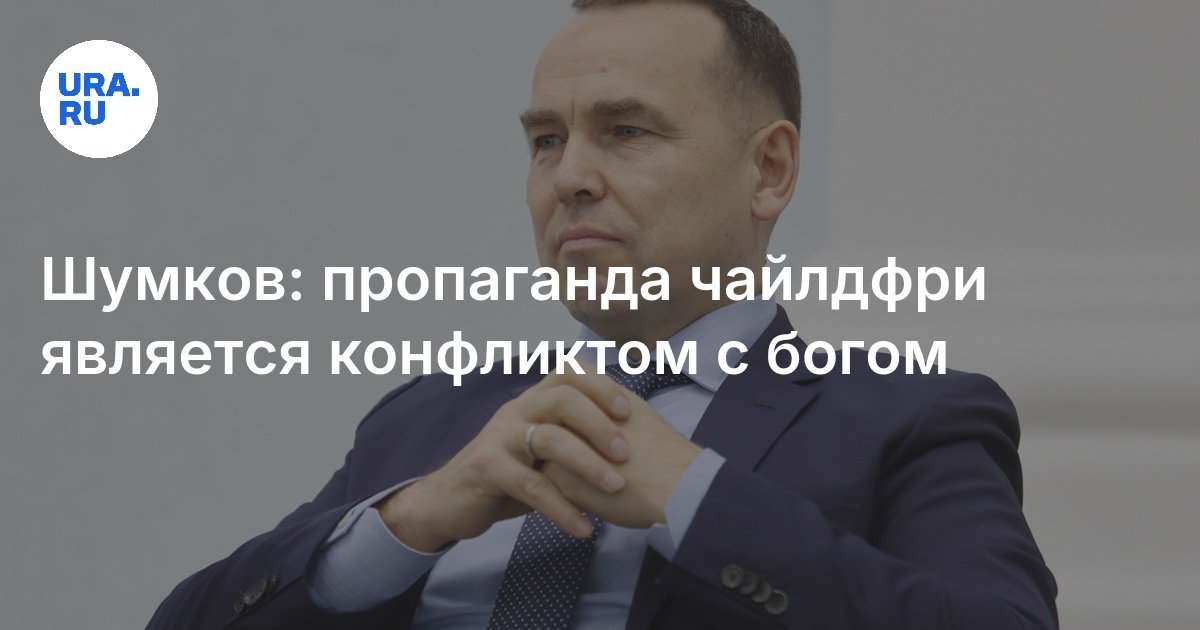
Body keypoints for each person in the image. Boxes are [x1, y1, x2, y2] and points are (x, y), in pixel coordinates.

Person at [148, 1, 1058, 628]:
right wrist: (408, 523)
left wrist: (690, 494)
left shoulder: (909, 418)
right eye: (547, 140)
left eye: (625, 131)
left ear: (769, 170)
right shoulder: (427, 422)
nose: (570, 177)